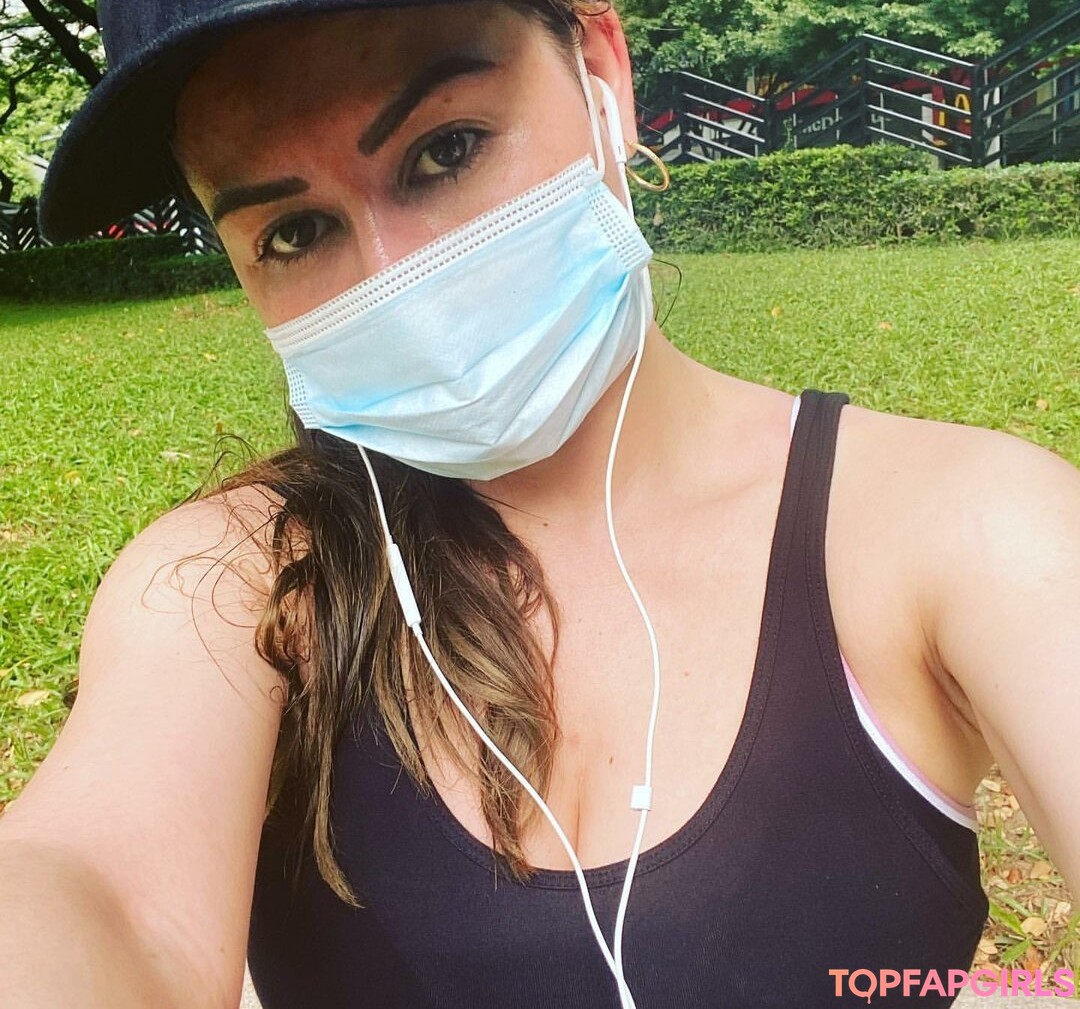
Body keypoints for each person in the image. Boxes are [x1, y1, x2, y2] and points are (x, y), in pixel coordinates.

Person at [2, 0, 1078, 1006]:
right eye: (294, 233)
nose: (399, 282)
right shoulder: (238, 584)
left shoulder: (963, 531)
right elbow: (102, 892)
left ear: (602, 71)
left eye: (446, 149)